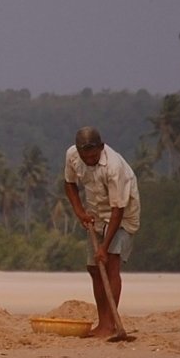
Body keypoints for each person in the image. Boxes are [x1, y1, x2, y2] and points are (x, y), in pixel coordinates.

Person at [63, 126, 140, 339]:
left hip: (122, 217)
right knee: (94, 269)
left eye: (93, 156)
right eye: (84, 156)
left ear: (101, 148)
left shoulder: (114, 167)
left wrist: (105, 247)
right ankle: (103, 323)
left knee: (111, 263)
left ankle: (112, 325)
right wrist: (80, 212)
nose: (89, 160)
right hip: (96, 215)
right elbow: (69, 184)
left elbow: (118, 209)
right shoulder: (72, 156)